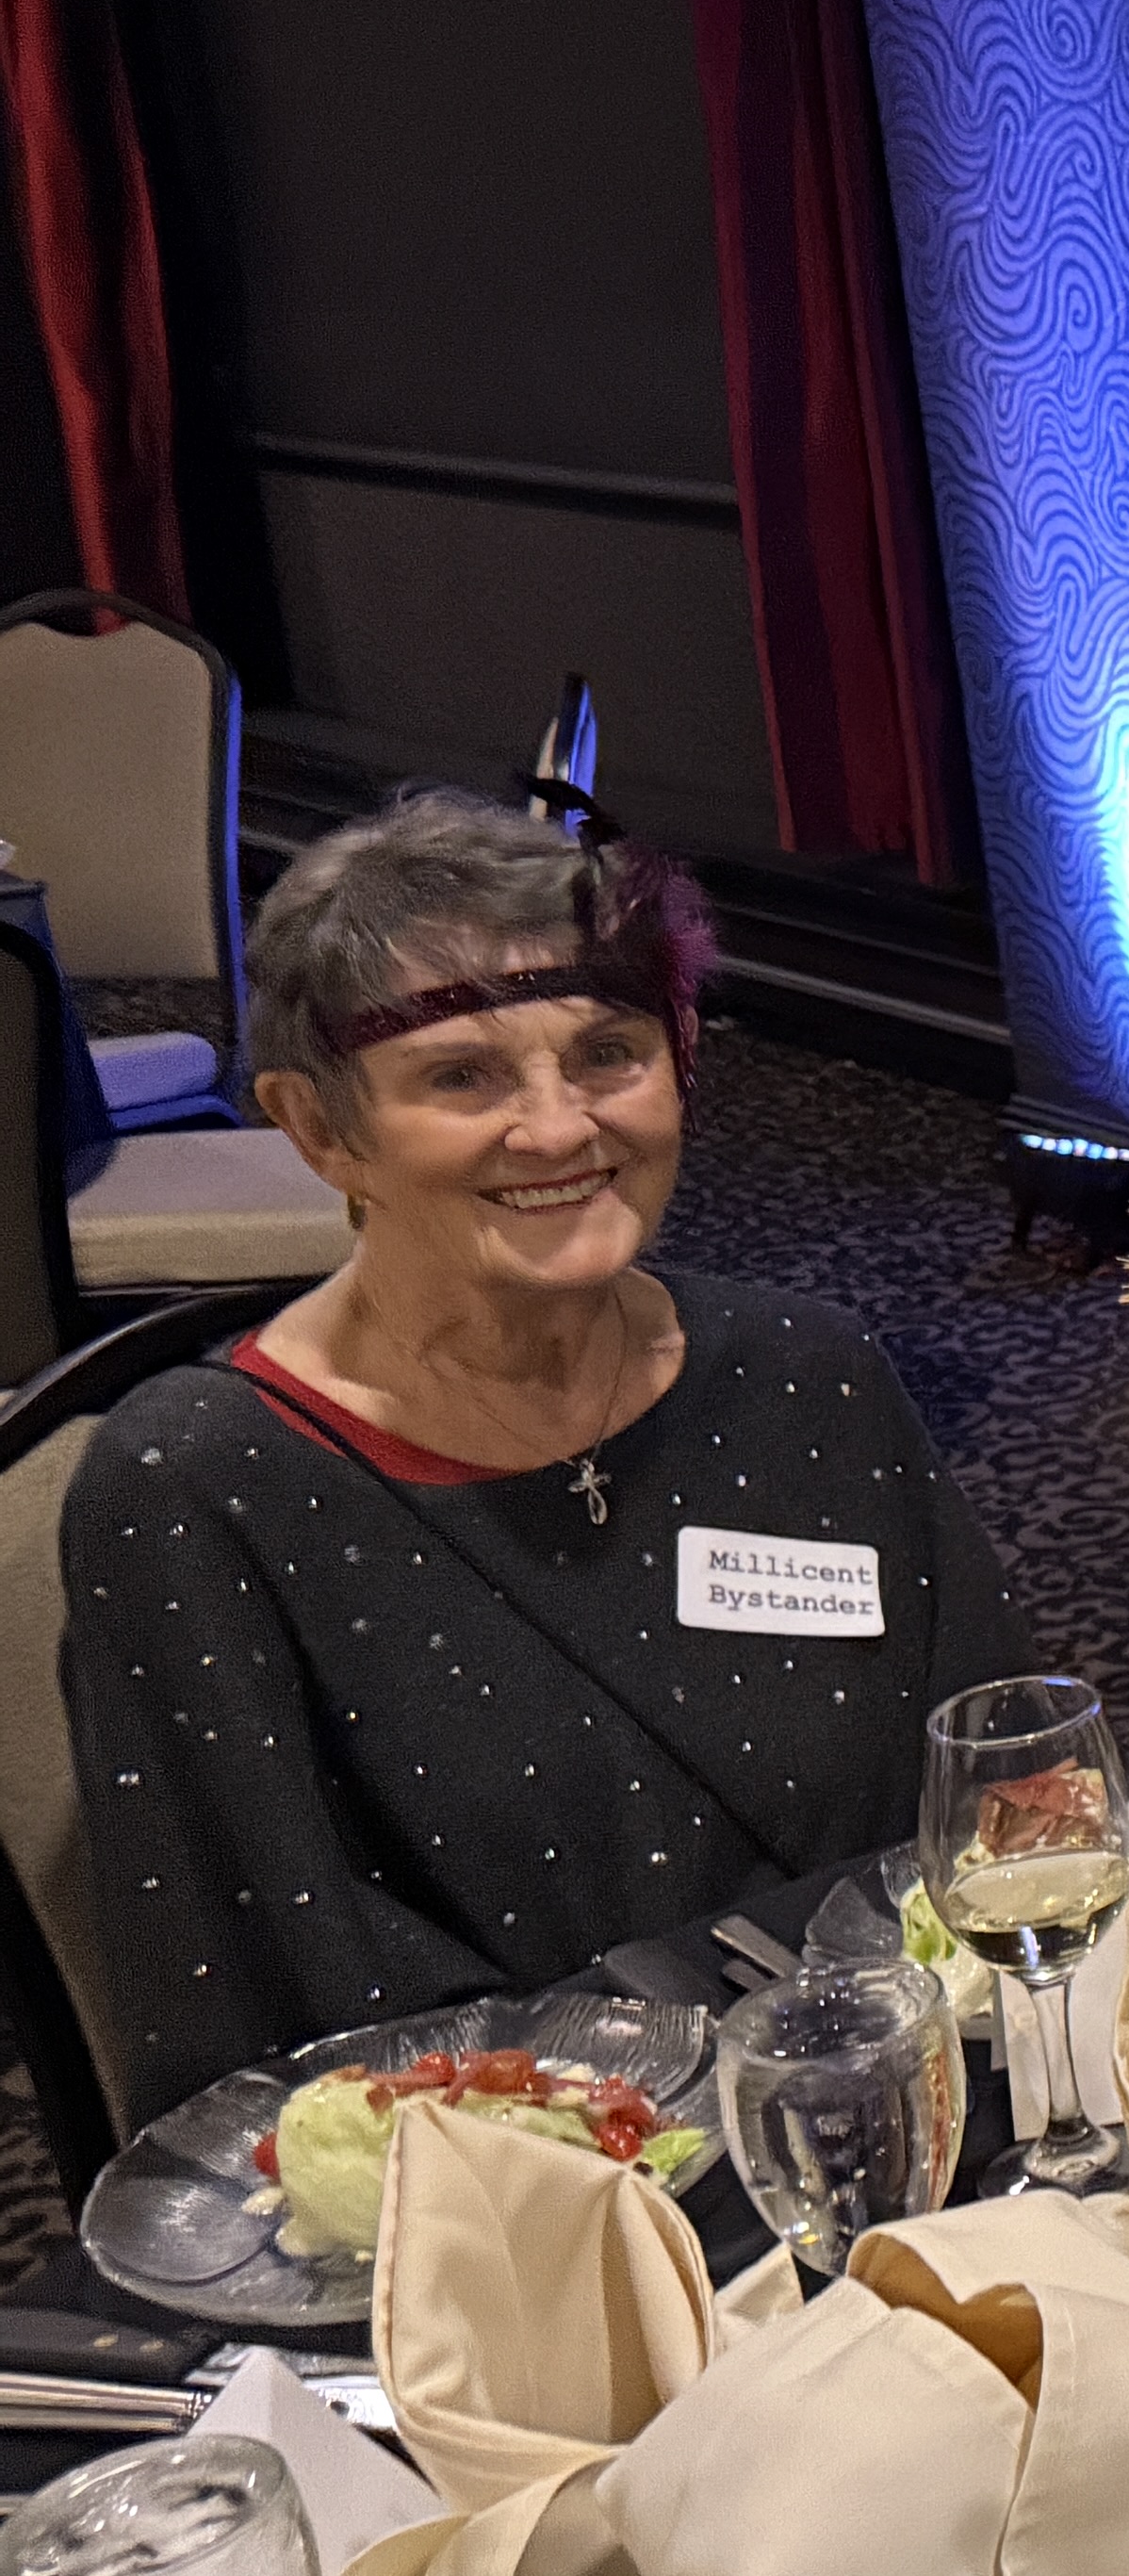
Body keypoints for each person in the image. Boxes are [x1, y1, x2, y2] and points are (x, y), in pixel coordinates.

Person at [61, 796, 1024, 2111]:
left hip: (932, 2107)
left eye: (609, 1053)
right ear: (321, 1130)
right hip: (530, 2204)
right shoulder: (202, 1488)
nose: (562, 1128)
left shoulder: (813, 1373)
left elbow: (1011, 1794)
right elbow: (272, 2020)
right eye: (462, 1077)